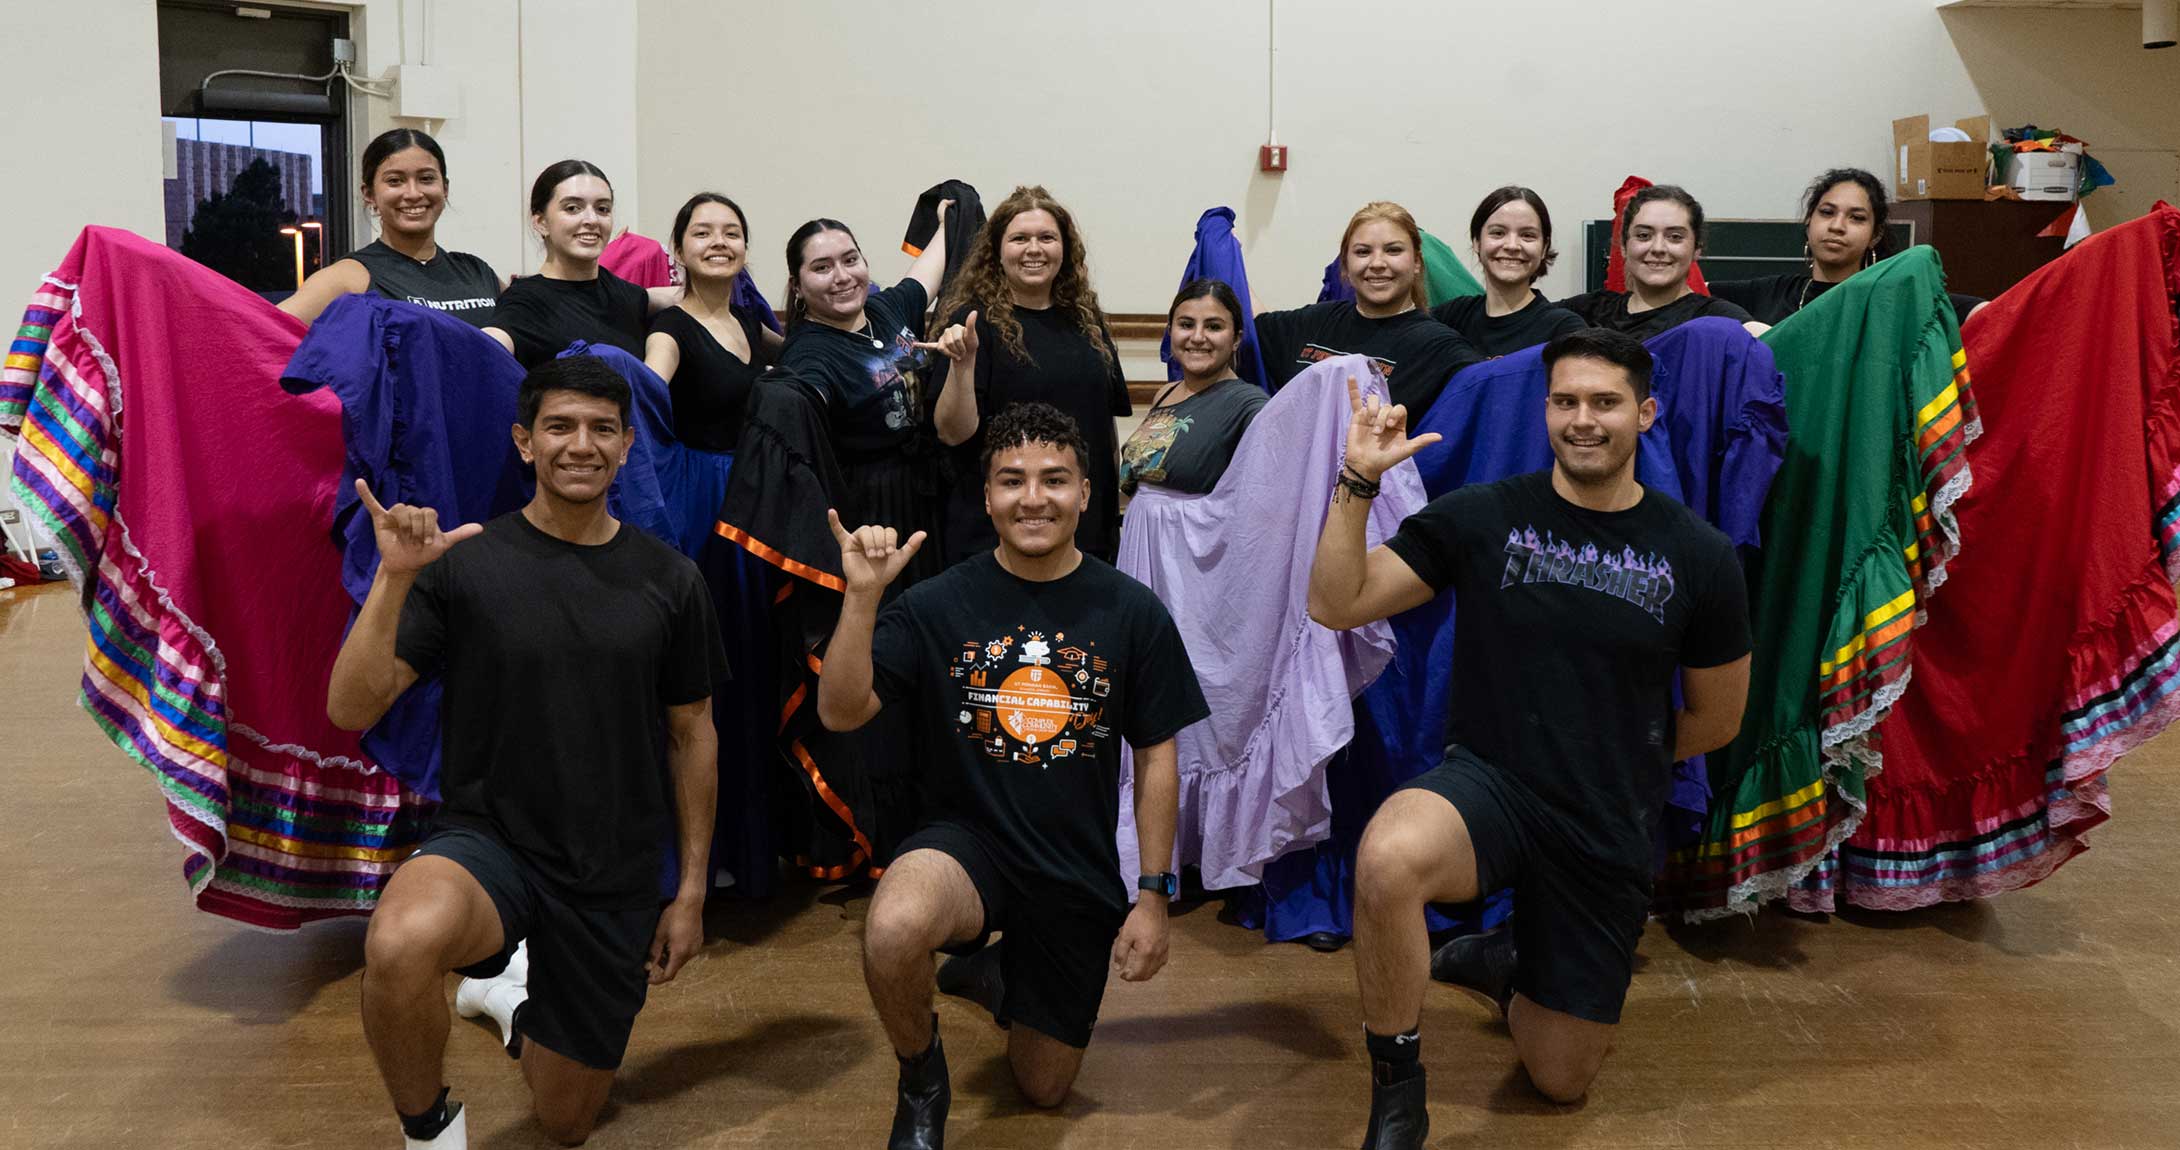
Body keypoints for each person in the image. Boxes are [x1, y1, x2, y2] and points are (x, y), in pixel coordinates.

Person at [1305, 328, 1752, 1146]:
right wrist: (1357, 482)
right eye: (1566, 401)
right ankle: (1398, 1091)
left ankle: (1502, 963)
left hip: (1603, 820)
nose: (1583, 419)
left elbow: (1717, 718)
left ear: (1645, 414)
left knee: (1560, 1080)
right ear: (1545, 409)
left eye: (1606, 402)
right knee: (1388, 858)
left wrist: (1613, 755)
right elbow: (1337, 604)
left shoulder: (1700, 555)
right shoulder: (1483, 516)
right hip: (1492, 785)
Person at [326, 355, 728, 1149]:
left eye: (602, 429)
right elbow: (351, 707)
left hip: (610, 866)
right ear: (524, 442)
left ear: (627, 445)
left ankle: (505, 997)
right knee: (401, 943)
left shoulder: (672, 580)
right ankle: (428, 1132)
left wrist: (689, 894)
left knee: (566, 1121)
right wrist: (394, 580)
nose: (581, 444)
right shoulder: (464, 564)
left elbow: (693, 735)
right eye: (559, 426)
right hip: (490, 839)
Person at [815, 403, 1209, 1148]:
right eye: (1012, 480)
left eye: (1054, 480)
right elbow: (839, 712)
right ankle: (921, 1078)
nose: (1034, 498)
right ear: (987, 495)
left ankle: (993, 972)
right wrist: (862, 597)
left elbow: (1158, 754)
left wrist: (1154, 897)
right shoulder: (936, 603)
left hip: (1073, 865)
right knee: (893, 927)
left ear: (1086, 493)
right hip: (966, 845)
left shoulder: (1134, 611)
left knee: (1043, 1088)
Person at [927, 185, 1131, 563]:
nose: (1034, 249)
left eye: (1046, 238)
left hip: (1084, 530)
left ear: (1064, 249)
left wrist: (1108, 518)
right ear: (997, 250)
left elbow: (1105, 429)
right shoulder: (972, 322)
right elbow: (951, 432)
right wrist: (962, 365)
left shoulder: (1087, 322)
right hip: (995, 534)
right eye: (1019, 238)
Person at [776, 209, 953, 587]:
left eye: (850, 260)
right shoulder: (807, 356)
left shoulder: (885, 309)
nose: (842, 276)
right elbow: (802, 400)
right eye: (822, 267)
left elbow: (931, 267)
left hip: (930, 488)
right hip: (874, 511)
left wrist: (947, 214)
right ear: (797, 285)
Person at [1254, 201, 1486, 412]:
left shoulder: (1440, 350)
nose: (1377, 263)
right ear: (1345, 265)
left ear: (1416, 262)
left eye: (1393, 250)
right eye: (1363, 252)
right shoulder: (1314, 322)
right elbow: (1247, 326)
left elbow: (1486, 399)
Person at [279, 129, 503, 327]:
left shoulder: (477, 272)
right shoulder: (349, 277)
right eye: (395, 181)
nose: (413, 193)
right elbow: (269, 334)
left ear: (444, 188)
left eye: (426, 178)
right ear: (369, 194)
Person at [1708, 167, 1988, 325]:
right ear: (1809, 222)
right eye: (1827, 212)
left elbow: (1991, 315)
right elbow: (1693, 292)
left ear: (1875, 235)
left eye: (1856, 218)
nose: (1837, 226)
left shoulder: (1896, 301)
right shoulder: (1770, 293)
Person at [486, 161, 676, 369]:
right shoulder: (524, 304)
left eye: (602, 209)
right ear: (541, 222)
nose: (592, 220)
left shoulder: (622, 294)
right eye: (572, 208)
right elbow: (486, 349)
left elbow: (684, 298)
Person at [643, 192, 782, 451]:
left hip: (755, 467)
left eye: (732, 234)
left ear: (744, 251)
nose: (719, 242)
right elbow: (644, 399)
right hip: (703, 472)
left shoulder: (748, 321)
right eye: (702, 233)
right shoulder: (670, 329)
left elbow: (795, 351)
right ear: (679, 252)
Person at [1119, 279, 1267, 496]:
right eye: (1186, 325)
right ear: (1170, 331)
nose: (1197, 337)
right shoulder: (1165, 394)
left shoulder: (1251, 406)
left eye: (1213, 327)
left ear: (1236, 339)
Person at [1558, 185, 1759, 339]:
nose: (1658, 248)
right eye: (1643, 235)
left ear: (1696, 249)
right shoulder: (1588, 310)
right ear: (1624, 247)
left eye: (1675, 237)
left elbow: (1769, 344)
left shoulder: (1716, 318)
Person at [1428, 186, 1586, 357]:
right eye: (1498, 233)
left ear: (1544, 248)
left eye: (1527, 235)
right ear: (1476, 242)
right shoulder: (1450, 317)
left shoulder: (1563, 329)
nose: (1512, 245)